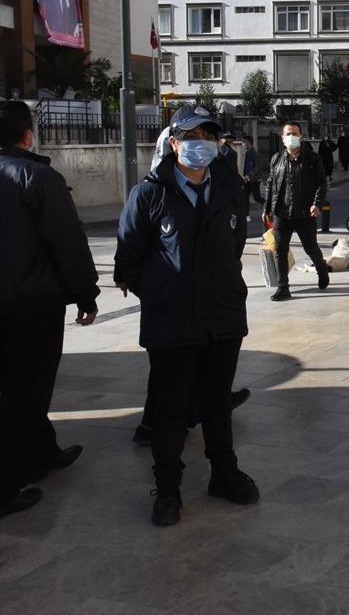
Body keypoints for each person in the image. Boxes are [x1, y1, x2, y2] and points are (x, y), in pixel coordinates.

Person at [115, 103, 258, 527]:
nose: (202, 145)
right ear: (174, 143)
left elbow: (231, 251)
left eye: (209, 137)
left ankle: (224, 473)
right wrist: (165, 293)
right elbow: (129, 261)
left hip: (223, 318)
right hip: (172, 323)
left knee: (217, 403)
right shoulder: (149, 194)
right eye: (193, 138)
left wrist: (217, 289)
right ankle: (168, 488)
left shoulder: (231, 188)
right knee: (171, 408)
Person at [0, 101, 98, 519]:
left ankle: (44, 452)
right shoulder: (37, 178)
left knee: (20, 388)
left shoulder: (34, 177)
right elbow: (67, 243)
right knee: (27, 390)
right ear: (26, 135)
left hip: (18, 301)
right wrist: (86, 293)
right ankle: (6, 486)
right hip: (31, 306)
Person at [263, 122, 329, 301]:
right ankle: (283, 287)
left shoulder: (312, 159)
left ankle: (322, 269)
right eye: (288, 133)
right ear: (282, 137)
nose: (291, 136)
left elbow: (322, 183)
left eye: (295, 133)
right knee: (280, 250)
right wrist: (267, 208)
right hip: (281, 213)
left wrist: (317, 204)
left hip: (304, 214)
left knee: (311, 248)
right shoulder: (276, 158)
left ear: (301, 136)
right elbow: (271, 184)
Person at [241, 135, 263, 208]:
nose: (243, 144)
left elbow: (257, 167)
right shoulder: (245, 153)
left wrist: (249, 175)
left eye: (244, 142)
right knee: (245, 198)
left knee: (257, 198)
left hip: (254, 179)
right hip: (246, 179)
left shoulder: (254, 153)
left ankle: (270, 206)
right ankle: (246, 216)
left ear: (248, 142)